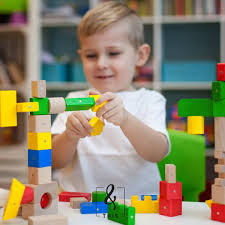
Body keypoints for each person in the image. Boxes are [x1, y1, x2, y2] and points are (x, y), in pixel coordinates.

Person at [51, 1, 170, 198]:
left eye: (113, 53)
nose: (101, 64)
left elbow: (157, 153)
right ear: (81, 57)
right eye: (91, 55)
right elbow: (53, 161)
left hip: (140, 208)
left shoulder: (151, 100)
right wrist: (69, 136)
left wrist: (125, 118)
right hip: (80, 207)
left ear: (140, 55)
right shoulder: (73, 101)